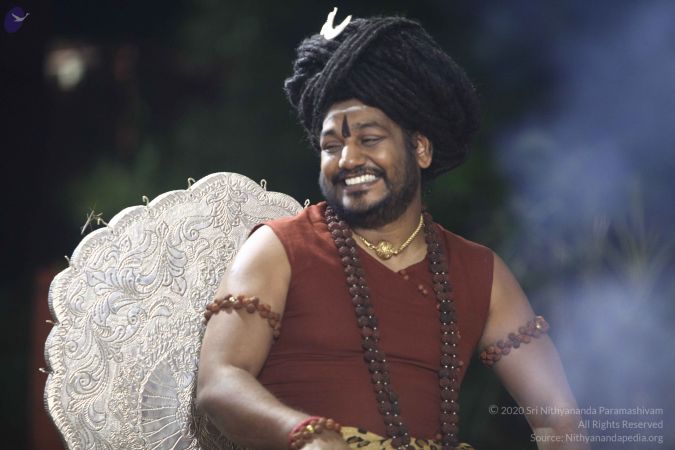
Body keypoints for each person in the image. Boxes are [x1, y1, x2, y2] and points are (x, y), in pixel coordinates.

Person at [196, 10, 587, 450]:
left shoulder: (481, 274)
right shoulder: (278, 248)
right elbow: (219, 381)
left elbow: (558, 417)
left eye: (369, 139)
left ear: (420, 148)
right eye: (331, 145)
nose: (347, 160)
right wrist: (309, 436)